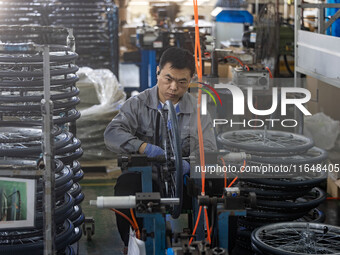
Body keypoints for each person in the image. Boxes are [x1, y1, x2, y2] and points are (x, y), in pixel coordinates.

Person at [104, 47, 217, 252]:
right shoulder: (137, 104)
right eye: (168, 78)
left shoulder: (199, 111)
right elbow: (112, 133)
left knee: (218, 190)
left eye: (182, 82)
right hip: (148, 177)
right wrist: (143, 147)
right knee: (125, 190)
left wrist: (188, 164)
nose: (173, 87)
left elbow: (208, 147)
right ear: (158, 72)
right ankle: (134, 243)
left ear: (190, 80)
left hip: (183, 180)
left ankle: (210, 245)